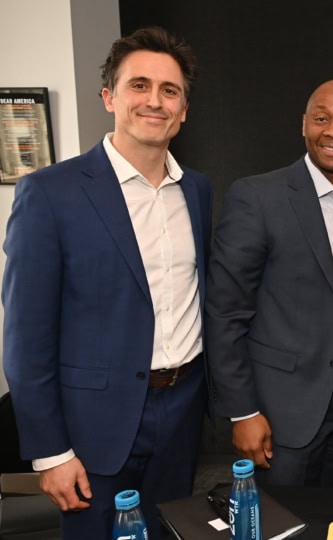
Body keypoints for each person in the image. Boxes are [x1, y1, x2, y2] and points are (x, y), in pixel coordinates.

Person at [2, 27, 211, 538]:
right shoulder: (49, 194)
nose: (154, 102)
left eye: (170, 91)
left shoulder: (199, 192)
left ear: (184, 109)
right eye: (139, 85)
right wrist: (50, 452)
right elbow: (26, 339)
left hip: (183, 414)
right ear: (109, 96)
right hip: (93, 428)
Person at [205, 79, 333, 487]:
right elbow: (225, 312)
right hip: (282, 407)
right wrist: (243, 411)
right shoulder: (258, 197)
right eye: (321, 118)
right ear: (304, 125)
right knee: (284, 522)